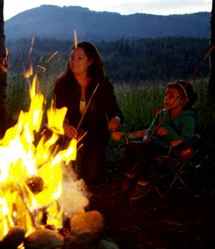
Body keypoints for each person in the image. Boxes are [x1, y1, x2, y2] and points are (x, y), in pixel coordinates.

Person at [53, 41, 123, 185]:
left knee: (92, 178)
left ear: (90, 61)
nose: (74, 61)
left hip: (95, 135)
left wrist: (115, 120)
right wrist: (64, 125)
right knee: (64, 175)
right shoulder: (62, 83)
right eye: (72, 57)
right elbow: (56, 112)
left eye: (80, 58)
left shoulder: (102, 84)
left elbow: (115, 112)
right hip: (69, 133)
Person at [112, 80, 198, 186]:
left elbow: (186, 142)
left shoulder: (188, 119)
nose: (166, 99)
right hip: (152, 144)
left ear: (183, 101)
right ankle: (130, 173)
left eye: (171, 96)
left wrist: (168, 133)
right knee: (131, 146)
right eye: (165, 95)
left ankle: (143, 178)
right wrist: (147, 137)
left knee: (142, 148)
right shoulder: (162, 114)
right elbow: (150, 131)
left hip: (167, 149)